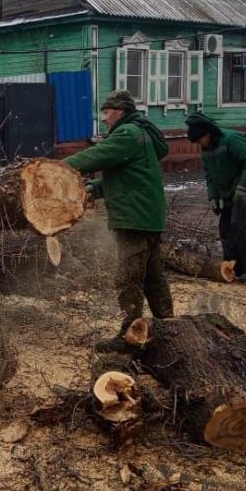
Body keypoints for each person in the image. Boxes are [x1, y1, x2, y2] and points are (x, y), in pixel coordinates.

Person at [64, 90, 173, 339]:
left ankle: (130, 335)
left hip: (134, 218)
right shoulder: (140, 134)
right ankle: (169, 328)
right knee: (153, 278)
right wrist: (94, 188)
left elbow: (95, 156)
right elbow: (128, 177)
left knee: (128, 278)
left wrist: (57, 167)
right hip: (148, 217)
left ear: (120, 112)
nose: (104, 118)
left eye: (107, 112)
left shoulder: (127, 134)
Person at [184, 113, 246, 282]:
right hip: (229, 191)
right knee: (225, 228)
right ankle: (234, 267)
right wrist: (213, 197)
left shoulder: (232, 139)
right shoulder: (206, 150)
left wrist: (243, 187)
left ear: (209, 132)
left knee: (242, 225)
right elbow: (209, 175)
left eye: (201, 139)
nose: (200, 144)